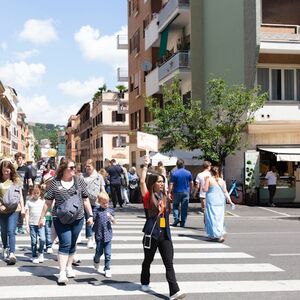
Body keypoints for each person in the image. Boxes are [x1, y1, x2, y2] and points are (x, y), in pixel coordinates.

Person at [38, 158, 94, 284]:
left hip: (78, 217)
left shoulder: (79, 180)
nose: (74, 170)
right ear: (63, 169)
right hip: (60, 218)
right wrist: (41, 217)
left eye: (75, 167)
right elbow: (48, 202)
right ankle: (62, 272)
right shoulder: (55, 183)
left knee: (73, 243)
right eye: (71, 167)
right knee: (65, 243)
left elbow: (85, 199)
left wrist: (90, 215)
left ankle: (69, 267)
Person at [140, 155, 185, 300]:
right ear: (153, 183)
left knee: (169, 263)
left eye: (162, 182)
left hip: (165, 234)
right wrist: (145, 166)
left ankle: (174, 291)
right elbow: (142, 182)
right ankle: (145, 281)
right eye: (159, 181)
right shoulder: (148, 197)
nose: (161, 183)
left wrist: (162, 171)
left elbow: (165, 180)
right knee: (148, 260)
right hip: (152, 234)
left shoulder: (164, 196)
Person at [0, 159, 25, 265]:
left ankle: (12, 253)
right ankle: (5, 247)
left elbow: (20, 195)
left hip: (14, 210)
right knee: (4, 231)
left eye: (8, 170)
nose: (6, 172)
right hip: (2, 210)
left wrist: (23, 208)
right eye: (4, 170)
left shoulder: (16, 180)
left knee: (11, 231)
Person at [203, 166, 234, 243]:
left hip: (211, 200)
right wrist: (230, 201)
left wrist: (205, 181)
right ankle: (219, 233)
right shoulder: (222, 181)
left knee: (212, 218)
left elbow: (205, 189)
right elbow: (225, 192)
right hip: (220, 201)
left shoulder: (209, 179)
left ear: (211, 172)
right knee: (219, 218)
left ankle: (217, 234)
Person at [82, 159, 105, 249]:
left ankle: (96, 237)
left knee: (97, 221)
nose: (87, 168)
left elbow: (102, 188)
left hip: (96, 202)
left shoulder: (99, 177)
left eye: (89, 166)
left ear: (93, 166)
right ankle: (90, 239)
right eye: (86, 166)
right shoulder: (82, 176)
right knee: (88, 220)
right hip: (85, 201)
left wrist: (104, 198)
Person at [93, 191, 116, 278]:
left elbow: (115, 222)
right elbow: (93, 218)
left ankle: (107, 268)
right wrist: (91, 219)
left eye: (107, 202)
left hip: (108, 235)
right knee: (99, 252)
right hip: (99, 234)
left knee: (108, 253)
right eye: (103, 203)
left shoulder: (110, 211)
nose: (106, 204)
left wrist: (112, 219)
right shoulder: (96, 210)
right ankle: (96, 259)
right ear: (99, 202)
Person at [168, 159, 193, 227]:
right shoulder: (188, 173)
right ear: (183, 165)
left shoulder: (174, 173)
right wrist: (191, 190)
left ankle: (176, 219)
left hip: (176, 192)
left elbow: (171, 184)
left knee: (175, 206)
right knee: (184, 208)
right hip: (185, 192)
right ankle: (183, 222)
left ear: (177, 165)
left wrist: (169, 193)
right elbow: (191, 182)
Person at [25, 185, 46, 264]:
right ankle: (34, 255)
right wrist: (27, 225)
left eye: (38, 193)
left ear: (40, 193)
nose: (36, 194)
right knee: (33, 241)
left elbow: (46, 210)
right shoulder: (29, 202)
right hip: (32, 224)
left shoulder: (43, 201)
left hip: (41, 223)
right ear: (31, 193)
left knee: (43, 239)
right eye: (34, 193)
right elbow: (27, 214)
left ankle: (40, 253)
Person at [15, 152, 33, 234]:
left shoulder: (26, 169)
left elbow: (29, 179)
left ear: (22, 159)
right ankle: (15, 225)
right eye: (17, 159)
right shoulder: (14, 169)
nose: (19, 160)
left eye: (20, 159)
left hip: (23, 190)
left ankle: (20, 226)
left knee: (22, 208)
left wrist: (30, 187)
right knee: (15, 208)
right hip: (14, 190)